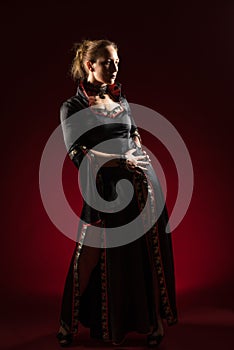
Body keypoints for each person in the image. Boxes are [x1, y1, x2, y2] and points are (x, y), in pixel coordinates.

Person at [56, 39, 177, 347]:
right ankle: (67, 324)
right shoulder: (73, 107)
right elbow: (79, 154)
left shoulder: (120, 99)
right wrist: (122, 159)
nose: (114, 68)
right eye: (107, 61)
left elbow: (133, 135)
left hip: (142, 186)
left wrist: (136, 151)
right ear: (89, 65)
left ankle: (155, 324)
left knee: (148, 254)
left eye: (117, 62)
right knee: (89, 258)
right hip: (105, 192)